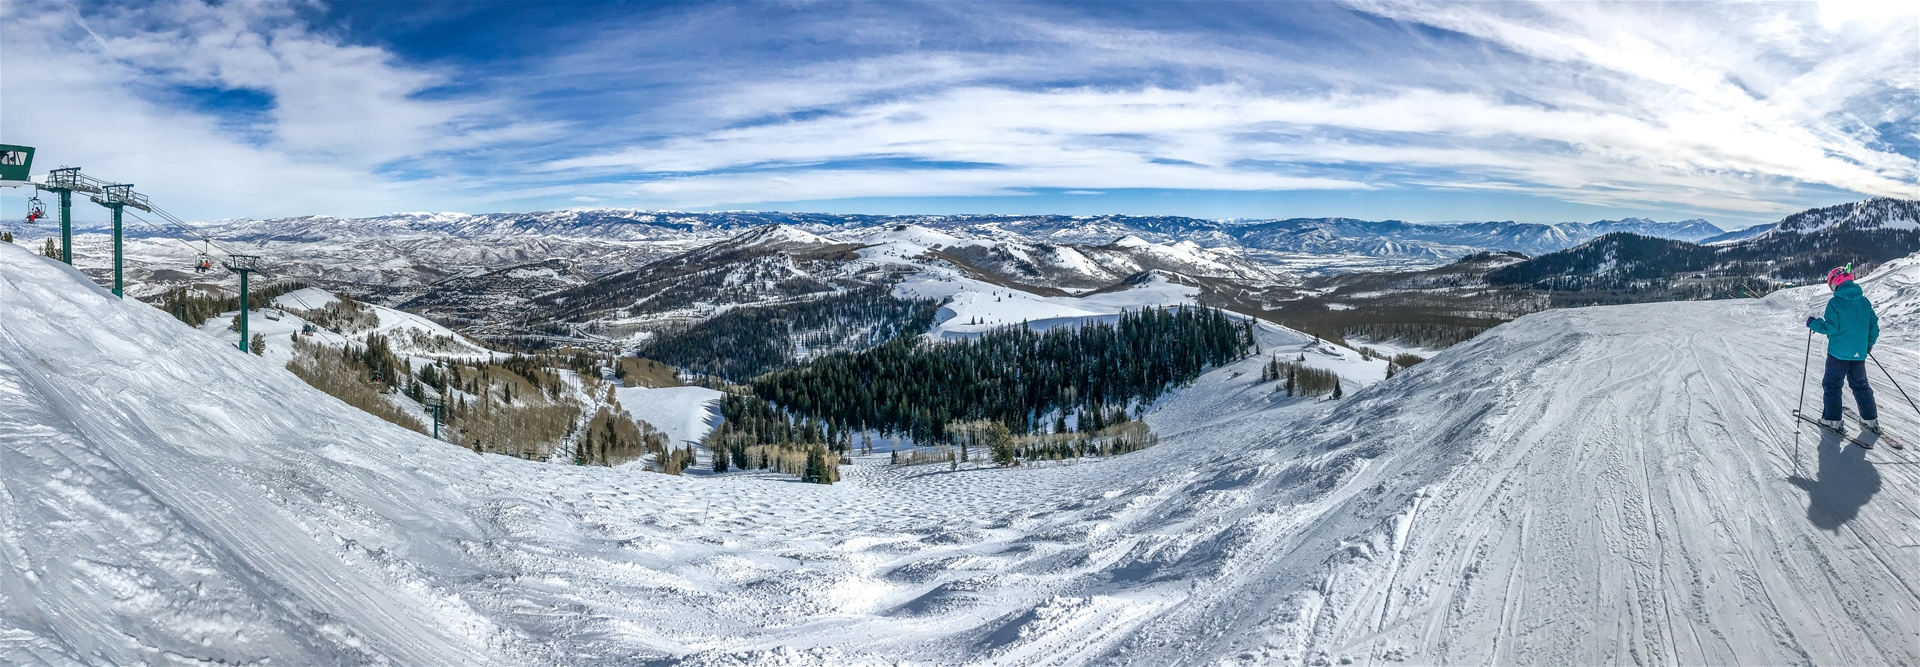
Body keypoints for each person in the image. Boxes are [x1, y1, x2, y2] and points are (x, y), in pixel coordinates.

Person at [1807, 265, 1881, 433]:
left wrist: (1813, 323)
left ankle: (1832, 420)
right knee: (1861, 386)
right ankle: (1870, 420)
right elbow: (1873, 327)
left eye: (1832, 285)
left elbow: (1830, 328)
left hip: (1838, 354)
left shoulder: (1835, 303)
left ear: (1836, 282)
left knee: (1832, 385)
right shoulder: (1864, 302)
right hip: (1859, 354)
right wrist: (1868, 344)